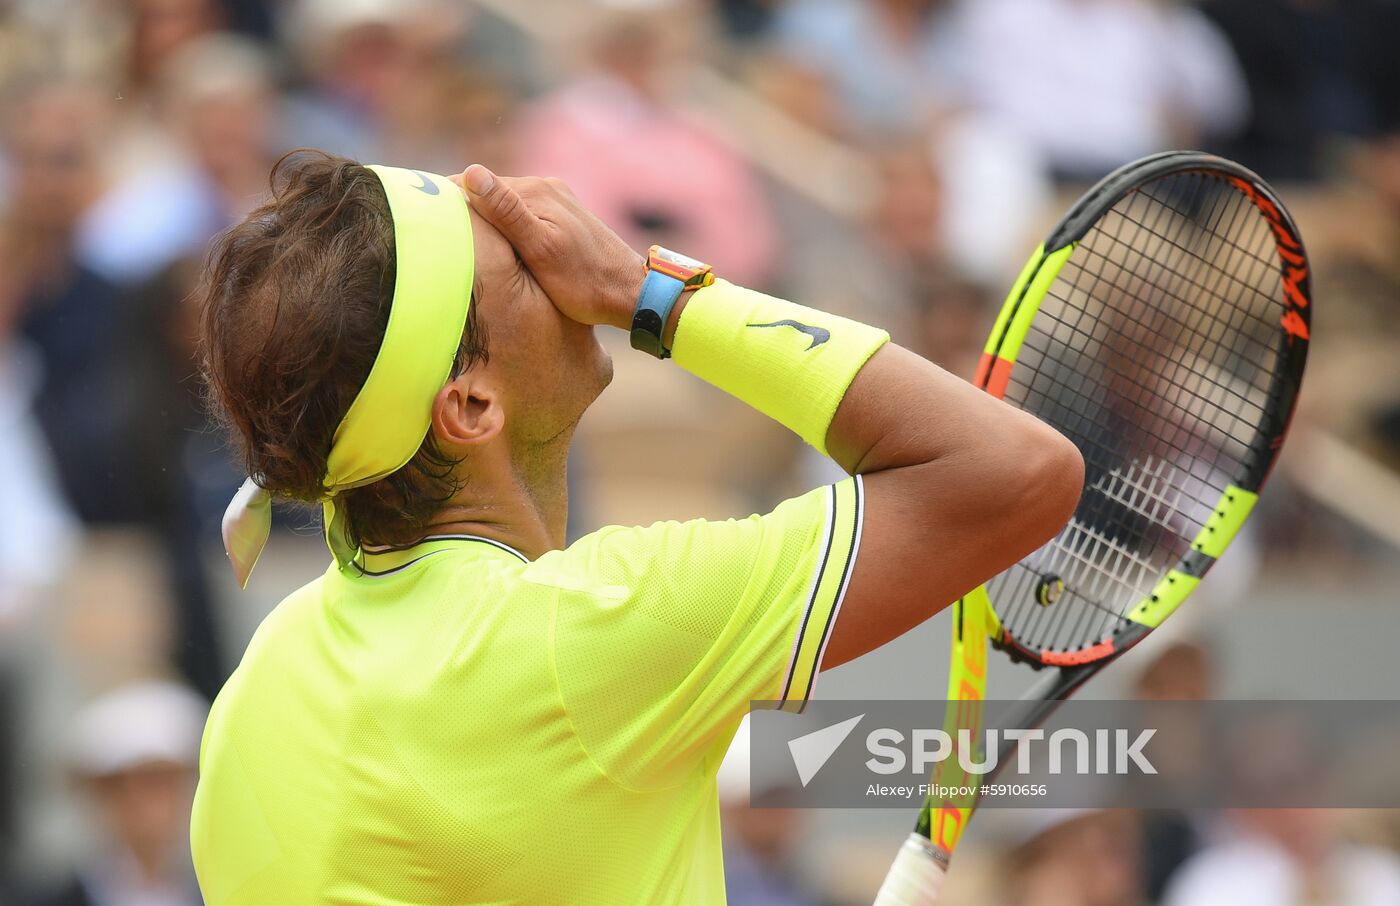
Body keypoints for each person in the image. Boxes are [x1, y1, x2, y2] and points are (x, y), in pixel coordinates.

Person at [190, 150, 1083, 903]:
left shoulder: (254, 688)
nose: (557, 252)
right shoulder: (597, 627)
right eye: (518, 262)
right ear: (469, 403)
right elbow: (1015, 471)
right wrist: (642, 288)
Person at [24, 680, 207, 906]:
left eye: (173, 783)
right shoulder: (45, 899)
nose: (162, 806)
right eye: (150, 784)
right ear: (105, 795)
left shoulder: (214, 894)